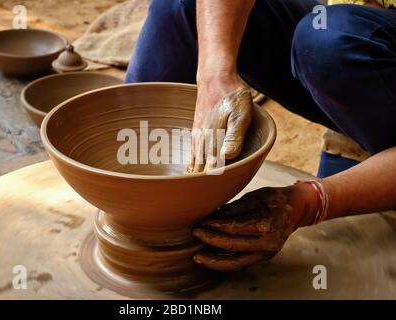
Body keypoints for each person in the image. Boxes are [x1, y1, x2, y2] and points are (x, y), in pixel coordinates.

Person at [124, 0, 396, 271]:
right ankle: (135, 198)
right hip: (361, 27)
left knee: (330, 41)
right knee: (181, 6)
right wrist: (214, 76)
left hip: (345, 46)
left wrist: (311, 203)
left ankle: (373, 148)